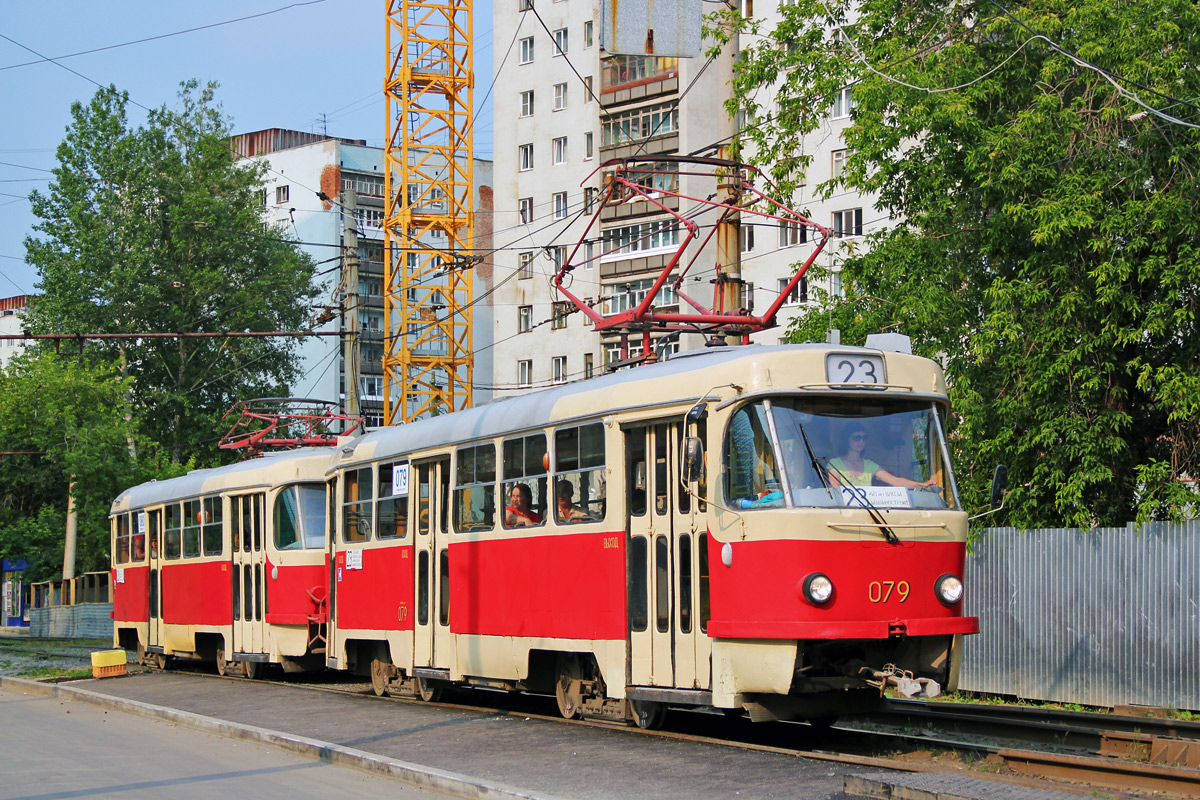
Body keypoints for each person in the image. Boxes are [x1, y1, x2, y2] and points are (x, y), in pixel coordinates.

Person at [828, 425, 935, 489]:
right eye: (857, 437)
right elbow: (836, 489)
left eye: (864, 437)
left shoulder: (869, 465)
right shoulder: (834, 464)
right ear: (847, 439)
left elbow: (896, 481)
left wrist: (923, 485)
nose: (861, 441)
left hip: (868, 513)